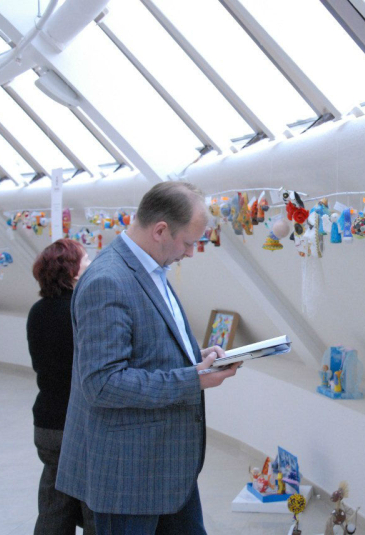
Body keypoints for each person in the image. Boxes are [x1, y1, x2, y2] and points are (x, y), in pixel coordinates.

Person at [56, 182, 240, 534]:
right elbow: (103, 383)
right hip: (129, 476)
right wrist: (194, 378)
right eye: (188, 243)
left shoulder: (151, 268)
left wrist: (195, 357)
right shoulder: (108, 281)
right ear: (160, 231)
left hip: (169, 468)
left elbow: (149, 346)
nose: (190, 253)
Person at [27, 239, 95, 534]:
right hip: (78, 425)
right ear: (72, 271)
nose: (91, 263)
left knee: (54, 508)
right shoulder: (84, 310)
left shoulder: (37, 311)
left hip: (47, 423)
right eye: (86, 259)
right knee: (94, 509)